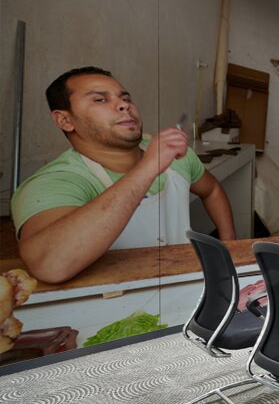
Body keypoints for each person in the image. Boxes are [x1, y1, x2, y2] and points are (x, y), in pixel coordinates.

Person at [11, 66, 236, 284]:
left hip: (186, 285)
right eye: (100, 99)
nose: (123, 106)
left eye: (126, 98)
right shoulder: (55, 182)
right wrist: (148, 167)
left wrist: (229, 246)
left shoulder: (176, 158)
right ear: (65, 120)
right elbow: (50, 265)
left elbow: (212, 190)